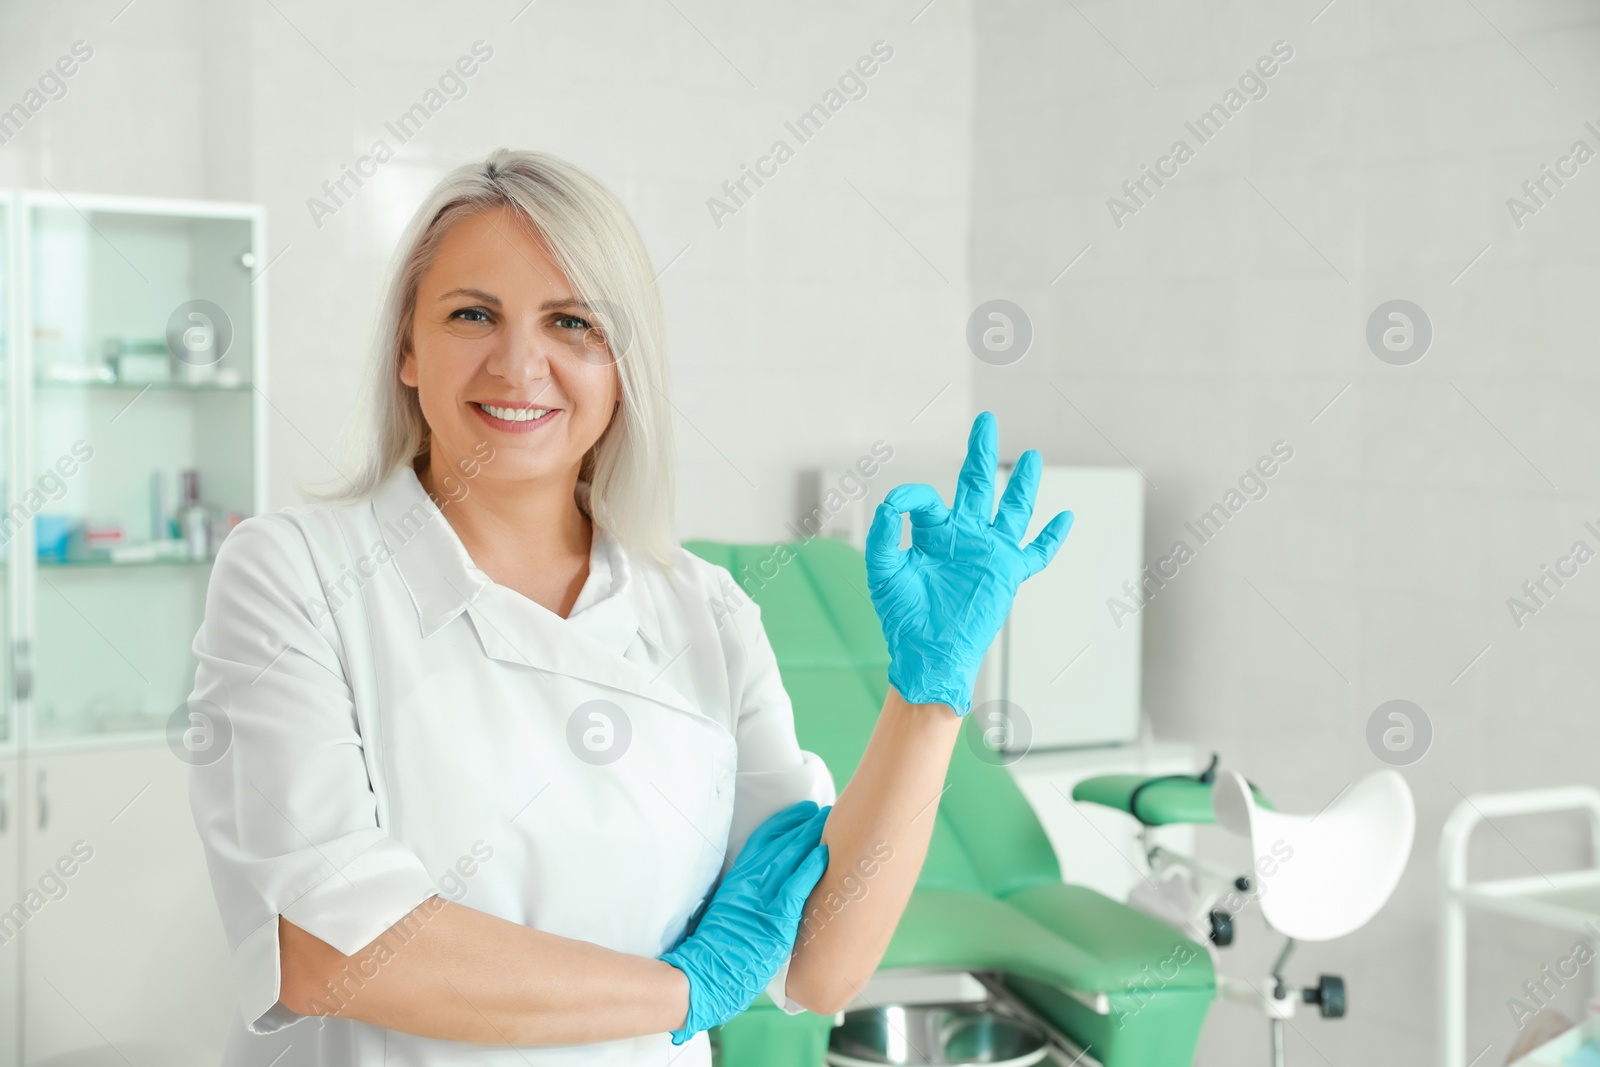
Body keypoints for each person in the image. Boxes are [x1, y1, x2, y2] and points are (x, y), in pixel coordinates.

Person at [185, 147, 1072, 1065]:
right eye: (472, 314)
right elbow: (334, 948)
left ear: (622, 369)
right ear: (407, 349)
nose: (519, 362)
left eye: (572, 322)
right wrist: (685, 990)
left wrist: (928, 698)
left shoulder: (708, 612)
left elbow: (818, 966)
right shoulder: (296, 576)